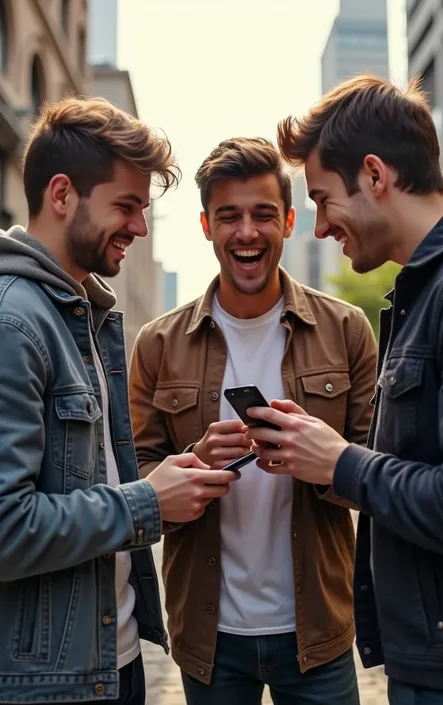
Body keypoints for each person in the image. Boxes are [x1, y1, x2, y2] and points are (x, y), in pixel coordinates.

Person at [0, 96, 239, 705]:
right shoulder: (14, 324)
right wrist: (147, 502)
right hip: (51, 683)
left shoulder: (89, 314)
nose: (138, 226)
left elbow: (87, 476)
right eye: (125, 206)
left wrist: (176, 473)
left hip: (114, 657)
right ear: (61, 195)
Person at [245, 75, 443, 704]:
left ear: (375, 175)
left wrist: (342, 462)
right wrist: (325, 457)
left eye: (322, 199)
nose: (318, 229)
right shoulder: (427, 291)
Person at [129, 136, 377, 705]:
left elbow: (378, 471)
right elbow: (136, 477)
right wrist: (189, 468)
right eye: (228, 216)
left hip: (318, 632)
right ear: (205, 226)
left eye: (263, 214)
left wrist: (322, 460)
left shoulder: (346, 330)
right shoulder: (157, 344)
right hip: (208, 636)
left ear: (289, 222)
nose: (247, 232)